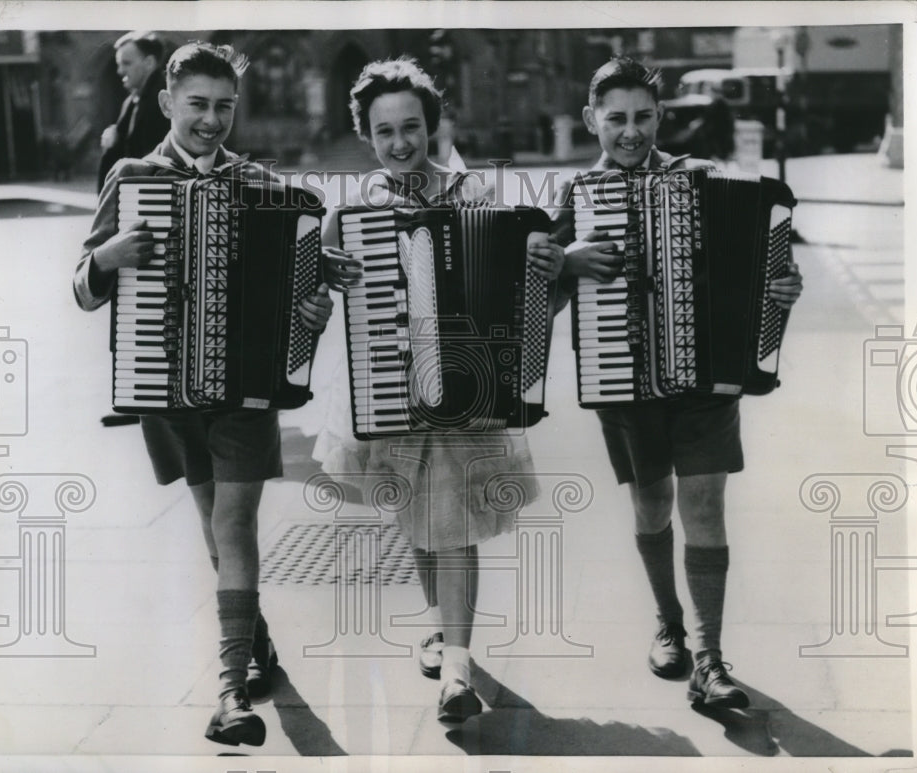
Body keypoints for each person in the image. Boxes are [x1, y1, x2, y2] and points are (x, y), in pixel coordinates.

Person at [73, 41, 334, 746]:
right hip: (165, 389)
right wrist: (107, 257)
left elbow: (303, 283)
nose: (212, 120)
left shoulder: (261, 185)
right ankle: (256, 643)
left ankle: (230, 689)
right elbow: (80, 288)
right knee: (215, 524)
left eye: (224, 106)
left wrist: (313, 312)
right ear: (167, 104)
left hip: (247, 394)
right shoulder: (131, 178)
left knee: (235, 524)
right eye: (198, 105)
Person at [315, 57, 564, 722]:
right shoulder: (352, 210)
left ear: (431, 127)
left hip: (464, 386)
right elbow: (323, 298)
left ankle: (457, 670)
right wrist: (327, 275)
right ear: (366, 135)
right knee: (419, 520)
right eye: (384, 131)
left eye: (412, 128)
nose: (400, 143)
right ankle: (439, 625)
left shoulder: (472, 194)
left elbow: (518, 291)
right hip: (389, 387)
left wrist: (536, 257)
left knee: (453, 524)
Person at [551, 56, 803, 709]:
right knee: (652, 504)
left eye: (642, 117)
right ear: (592, 121)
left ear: (659, 117)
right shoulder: (577, 196)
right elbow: (537, 300)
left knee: (705, 507)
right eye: (617, 119)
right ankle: (667, 621)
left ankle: (710, 656)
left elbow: (762, 266)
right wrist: (564, 262)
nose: (631, 131)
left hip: (705, 383)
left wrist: (781, 285)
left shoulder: (700, 178)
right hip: (623, 381)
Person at [97, 31, 170, 192]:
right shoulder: (133, 100)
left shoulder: (162, 100)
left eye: (126, 63)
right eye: (119, 64)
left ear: (149, 63)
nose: (119, 71)